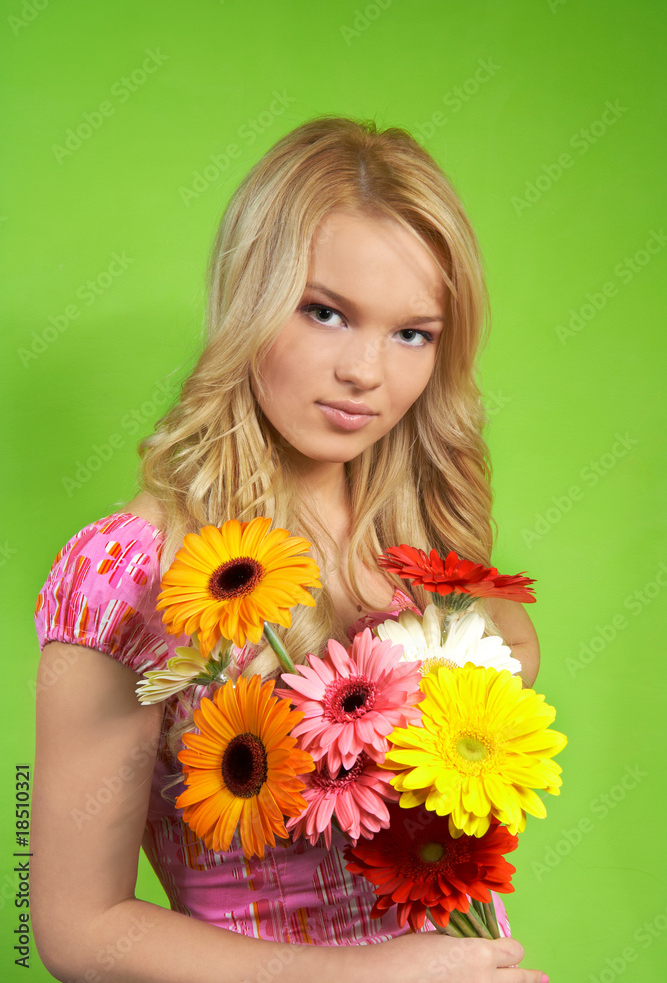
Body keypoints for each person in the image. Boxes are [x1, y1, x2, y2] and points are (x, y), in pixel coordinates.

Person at [32, 115, 547, 983]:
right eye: (325, 313)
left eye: (411, 333)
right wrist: (367, 978)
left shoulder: (422, 531)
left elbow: (505, 685)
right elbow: (77, 931)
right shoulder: (126, 572)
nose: (366, 373)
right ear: (249, 300)